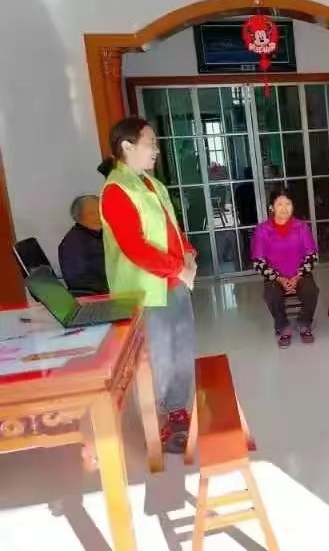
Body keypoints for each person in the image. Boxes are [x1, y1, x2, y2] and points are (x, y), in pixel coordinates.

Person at [100, 116, 198, 454]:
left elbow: (172, 229)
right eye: (150, 143)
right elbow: (135, 247)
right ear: (126, 146)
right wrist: (178, 269)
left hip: (174, 282)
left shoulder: (152, 184)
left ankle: (177, 410)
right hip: (145, 290)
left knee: (182, 349)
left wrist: (188, 254)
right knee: (157, 357)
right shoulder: (117, 190)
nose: (156, 149)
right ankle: (157, 422)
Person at [251, 188, 319, 347]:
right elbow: (258, 262)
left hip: (300, 273)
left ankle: (304, 322)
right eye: (279, 204)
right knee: (271, 294)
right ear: (272, 207)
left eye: (288, 204)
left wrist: (298, 275)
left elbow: (312, 257)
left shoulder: (301, 227)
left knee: (311, 291)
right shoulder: (262, 230)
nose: (284, 208)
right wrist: (279, 278)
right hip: (275, 276)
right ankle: (283, 326)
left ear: (293, 206)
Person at [57, 194, 109, 294]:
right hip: (100, 294)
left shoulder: (98, 234)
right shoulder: (74, 244)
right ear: (79, 216)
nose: (99, 215)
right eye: (92, 213)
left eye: (100, 210)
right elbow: (79, 281)